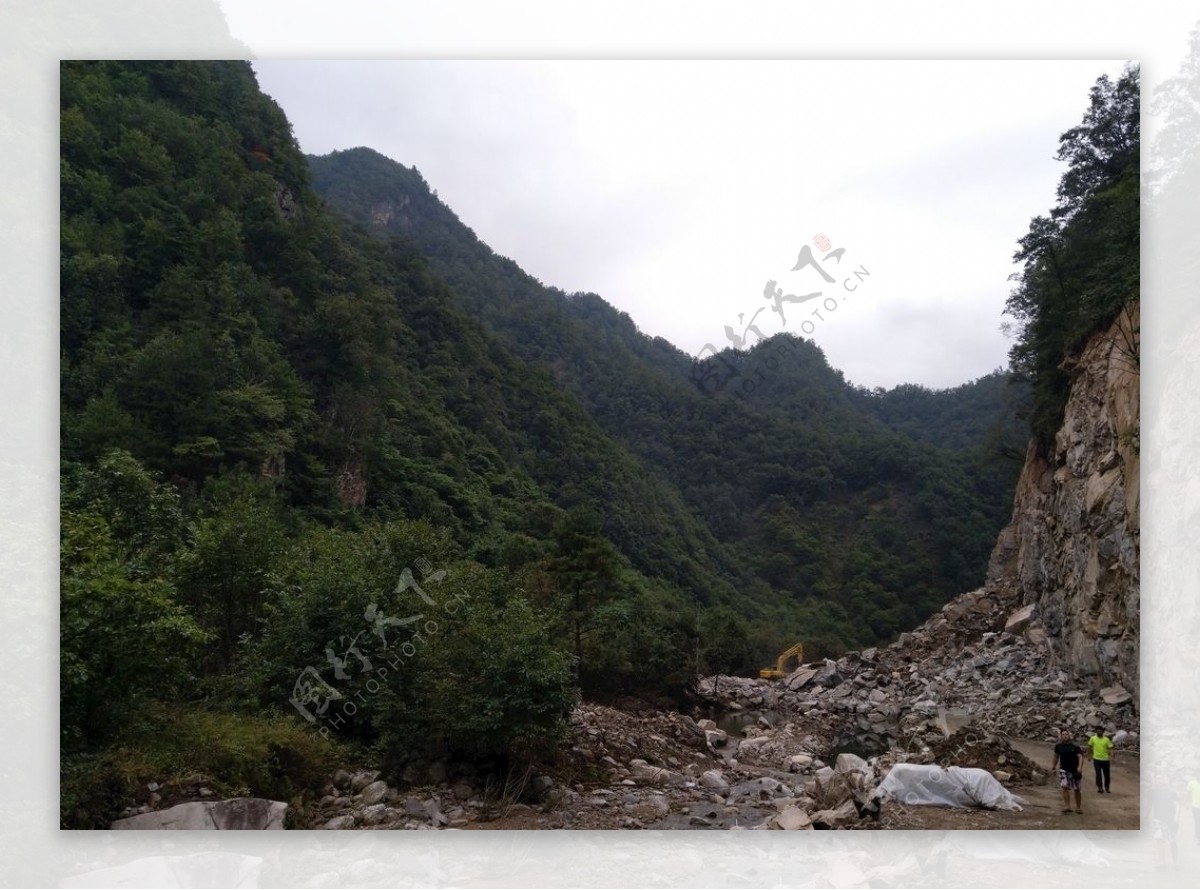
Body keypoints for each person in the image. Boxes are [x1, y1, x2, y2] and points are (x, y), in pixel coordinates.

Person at [1051, 728, 1085, 814]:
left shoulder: (1075, 746)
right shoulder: (1058, 746)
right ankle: (1067, 806)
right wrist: (1053, 767)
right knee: (1064, 788)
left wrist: (1080, 767)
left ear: (1069, 736)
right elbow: (1056, 757)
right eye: (1063, 734)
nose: (1065, 736)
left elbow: (1080, 757)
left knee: (1077, 789)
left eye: (1066, 734)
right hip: (1063, 770)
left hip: (1074, 770)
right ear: (1061, 736)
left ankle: (1078, 807)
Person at [1087, 726, 1114, 793]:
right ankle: (1100, 787)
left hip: (1105, 759)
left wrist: (1112, 756)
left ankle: (1107, 787)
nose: (1099, 732)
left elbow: (1110, 748)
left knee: (1107, 774)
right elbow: (1090, 747)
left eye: (1101, 731)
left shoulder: (1106, 739)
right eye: (1098, 731)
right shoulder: (1093, 738)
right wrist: (1089, 755)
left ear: (1103, 732)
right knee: (1098, 774)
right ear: (1096, 731)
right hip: (1096, 759)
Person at [1188, 774, 1200, 843]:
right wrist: (1187, 803)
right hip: (1195, 807)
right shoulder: (1192, 783)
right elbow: (1188, 793)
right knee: (1197, 822)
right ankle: (1198, 838)